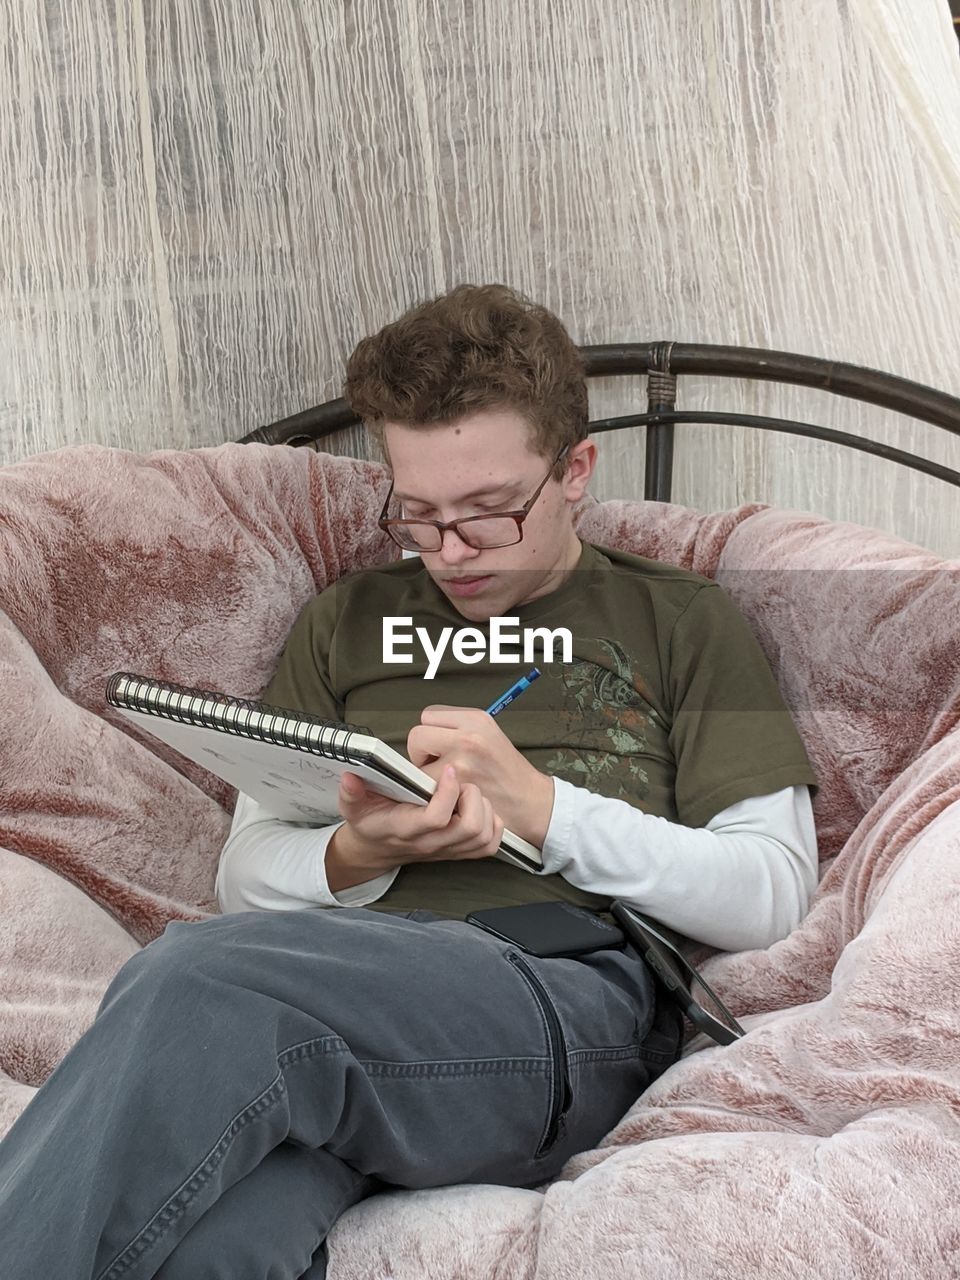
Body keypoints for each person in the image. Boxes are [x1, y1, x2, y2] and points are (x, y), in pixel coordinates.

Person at [0, 284, 818, 1279]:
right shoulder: (348, 620)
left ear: (575, 471)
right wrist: (359, 853)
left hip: (557, 1002)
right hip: (345, 999)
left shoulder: (679, 619)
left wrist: (542, 807)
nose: (452, 550)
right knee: (209, 1241)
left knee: (197, 972)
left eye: (488, 511)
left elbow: (771, 890)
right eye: (420, 515)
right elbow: (251, 876)